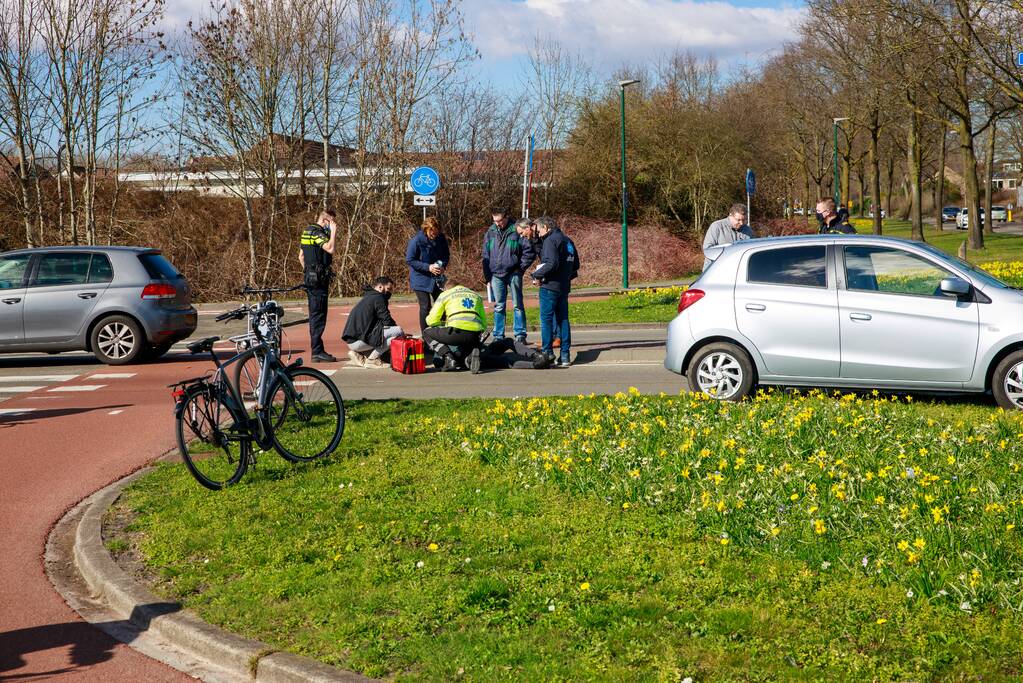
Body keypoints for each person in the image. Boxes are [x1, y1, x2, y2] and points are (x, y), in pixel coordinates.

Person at [529, 216, 577, 368]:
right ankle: (565, 356)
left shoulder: (550, 240)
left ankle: (547, 353)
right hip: (564, 286)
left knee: (547, 320)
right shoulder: (568, 240)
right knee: (563, 320)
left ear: (545, 227)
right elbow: (576, 264)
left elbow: (551, 263)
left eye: (538, 229)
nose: (537, 232)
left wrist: (536, 275)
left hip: (550, 287)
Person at [482, 206, 529, 343]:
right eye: (495, 221)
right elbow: (485, 254)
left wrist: (520, 268)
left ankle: (520, 334)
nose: (497, 223)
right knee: (499, 306)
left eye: (500, 220)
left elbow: (528, 251)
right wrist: (487, 276)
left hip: (513, 273)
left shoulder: (516, 230)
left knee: (517, 304)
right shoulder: (490, 232)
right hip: (495, 274)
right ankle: (498, 336)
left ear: (506, 217)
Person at [423, 279, 487, 373]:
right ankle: (468, 359)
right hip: (475, 336)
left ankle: (448, 357)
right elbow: (484, 322)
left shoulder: (446, 294)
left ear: (446, 288)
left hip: (456, 332)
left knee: (426, 332)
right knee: (461, 352)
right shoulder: (476, 295)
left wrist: (442, 325)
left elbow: (431, 320)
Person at [298, 210, 337, 363]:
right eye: (332, 222)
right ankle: (317, 351)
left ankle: (318, 349)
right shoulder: (317, 232)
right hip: (318, 281)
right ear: (325, 221)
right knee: (318, 315)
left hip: (310, 277)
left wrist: (308, 271)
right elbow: (330, 248)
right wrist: (333, 233)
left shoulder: (306, 231)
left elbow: (301, 256)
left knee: (315, 314)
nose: (333, 225)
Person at [342, 276, 403, 369]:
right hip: (359, 341)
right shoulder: (379, 298)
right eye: (388, 289)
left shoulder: (368, 296)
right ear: (380, 287)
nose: (390, 292)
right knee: (398, 332)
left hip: (352, 341)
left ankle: (360, 354)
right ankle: (372, 359)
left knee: (390, 334)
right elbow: (387, 320)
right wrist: (402, 335)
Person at [405, 216, 450, 334]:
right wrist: (428, 267)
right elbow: (410, 260)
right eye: (432, 234)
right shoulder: (416, 241)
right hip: (420, 278)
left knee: (442, 305)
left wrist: (443, 266)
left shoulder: (441, 238)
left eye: (436, 233)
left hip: (437, 277)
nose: (434, 236)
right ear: (426, 230)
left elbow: (446, 254)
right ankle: (426, 335)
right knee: (425, 306)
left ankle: (442, 332)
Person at [702, 204, 754, 271]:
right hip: (714, 271)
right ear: (730, 216)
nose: (741, 223)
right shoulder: (716, 226)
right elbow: (707, 249)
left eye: (743, 220)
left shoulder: (748, 230)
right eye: (738, 220)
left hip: (738, 272)